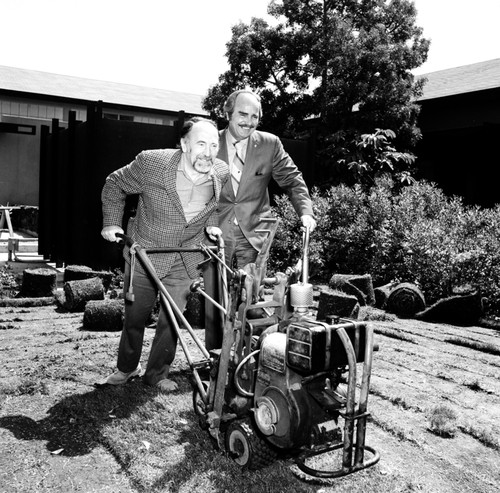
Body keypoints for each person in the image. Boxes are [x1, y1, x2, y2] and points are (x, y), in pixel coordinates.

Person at [99, 117, 229, 392]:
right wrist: (112, 221)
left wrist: (212, 227)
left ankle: (157, 374)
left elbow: (211, 208)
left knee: (172, 319)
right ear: (184, 144)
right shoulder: (152, 164)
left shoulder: (221, 171)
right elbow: (114, 184)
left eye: (214, 145)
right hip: (146, 253)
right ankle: (126, 367)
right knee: (136, 317)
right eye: (201, 143)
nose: (208, 152)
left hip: (185, 256)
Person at [216, 89, 317, 269]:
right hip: (215, 234)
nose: (248, 122)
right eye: (243, 114)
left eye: (254, 116)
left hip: (254, 236)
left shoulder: (270, 144)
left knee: (251, 294)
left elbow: (292, 179)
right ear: (228, 114)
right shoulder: (210, 142)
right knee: (216, 295)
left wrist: (306, 212)